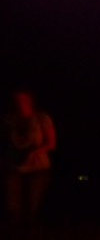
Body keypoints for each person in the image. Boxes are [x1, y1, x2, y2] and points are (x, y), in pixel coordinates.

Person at [5, 90, 56, 228]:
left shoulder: (42, 118)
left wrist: (34, 152)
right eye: (18, 99)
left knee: (33, 205)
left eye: (24, 99)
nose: (21, 102)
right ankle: (14, 233)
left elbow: (51, 143)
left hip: (37, 166)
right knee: (13, 205)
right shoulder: (10, 119)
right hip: (14, 166)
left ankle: (32, 232)